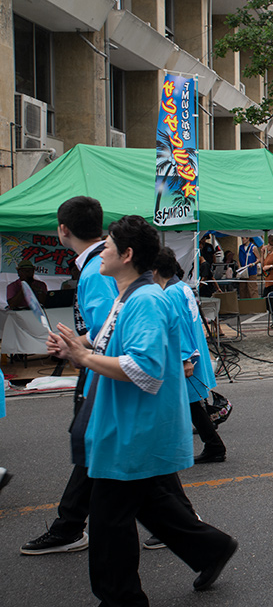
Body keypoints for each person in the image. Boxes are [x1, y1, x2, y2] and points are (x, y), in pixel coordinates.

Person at [49, 215, 238, 604]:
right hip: (123, 425)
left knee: (109, 521)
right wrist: (76, 348)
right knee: (151, 506)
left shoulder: (146, 300)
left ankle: (122, 599)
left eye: (110, 245)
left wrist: (84, 357)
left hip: (134, 428)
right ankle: (211, 549)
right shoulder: (129, 295)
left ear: (128, 254)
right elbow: (108, 346)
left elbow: (144, 370)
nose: (102, 249)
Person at [21, 197, 119, 556]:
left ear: (63, 229)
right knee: (97, 451)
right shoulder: (98, 265)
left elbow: (111, 327)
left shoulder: (94, 271)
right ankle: (185, 527)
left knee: (91, 448)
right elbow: (106, 325)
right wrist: (74, 341)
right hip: (101, 370)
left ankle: (69, 527)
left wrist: (76, 349)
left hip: (103, 375)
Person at [153, 248, 227, 465]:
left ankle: (213, 446)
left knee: (190, 403)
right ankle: (212, 445)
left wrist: (185, 358)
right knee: (191, 403)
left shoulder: (170, 292)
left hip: (184, 355)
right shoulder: (182, 287)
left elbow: (179, 327)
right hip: (193, 351)